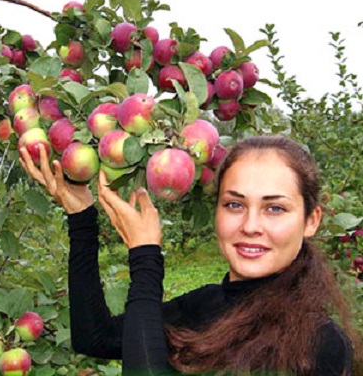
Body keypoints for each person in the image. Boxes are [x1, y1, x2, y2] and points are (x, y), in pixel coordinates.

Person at [19, 135, 362, 375]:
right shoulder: (204, 307)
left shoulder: (320, 346)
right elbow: (95, 337)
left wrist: (145, 259)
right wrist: (82, 218)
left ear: (310, 220)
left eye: (274, 208)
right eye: (234, 204)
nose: (250, 225)